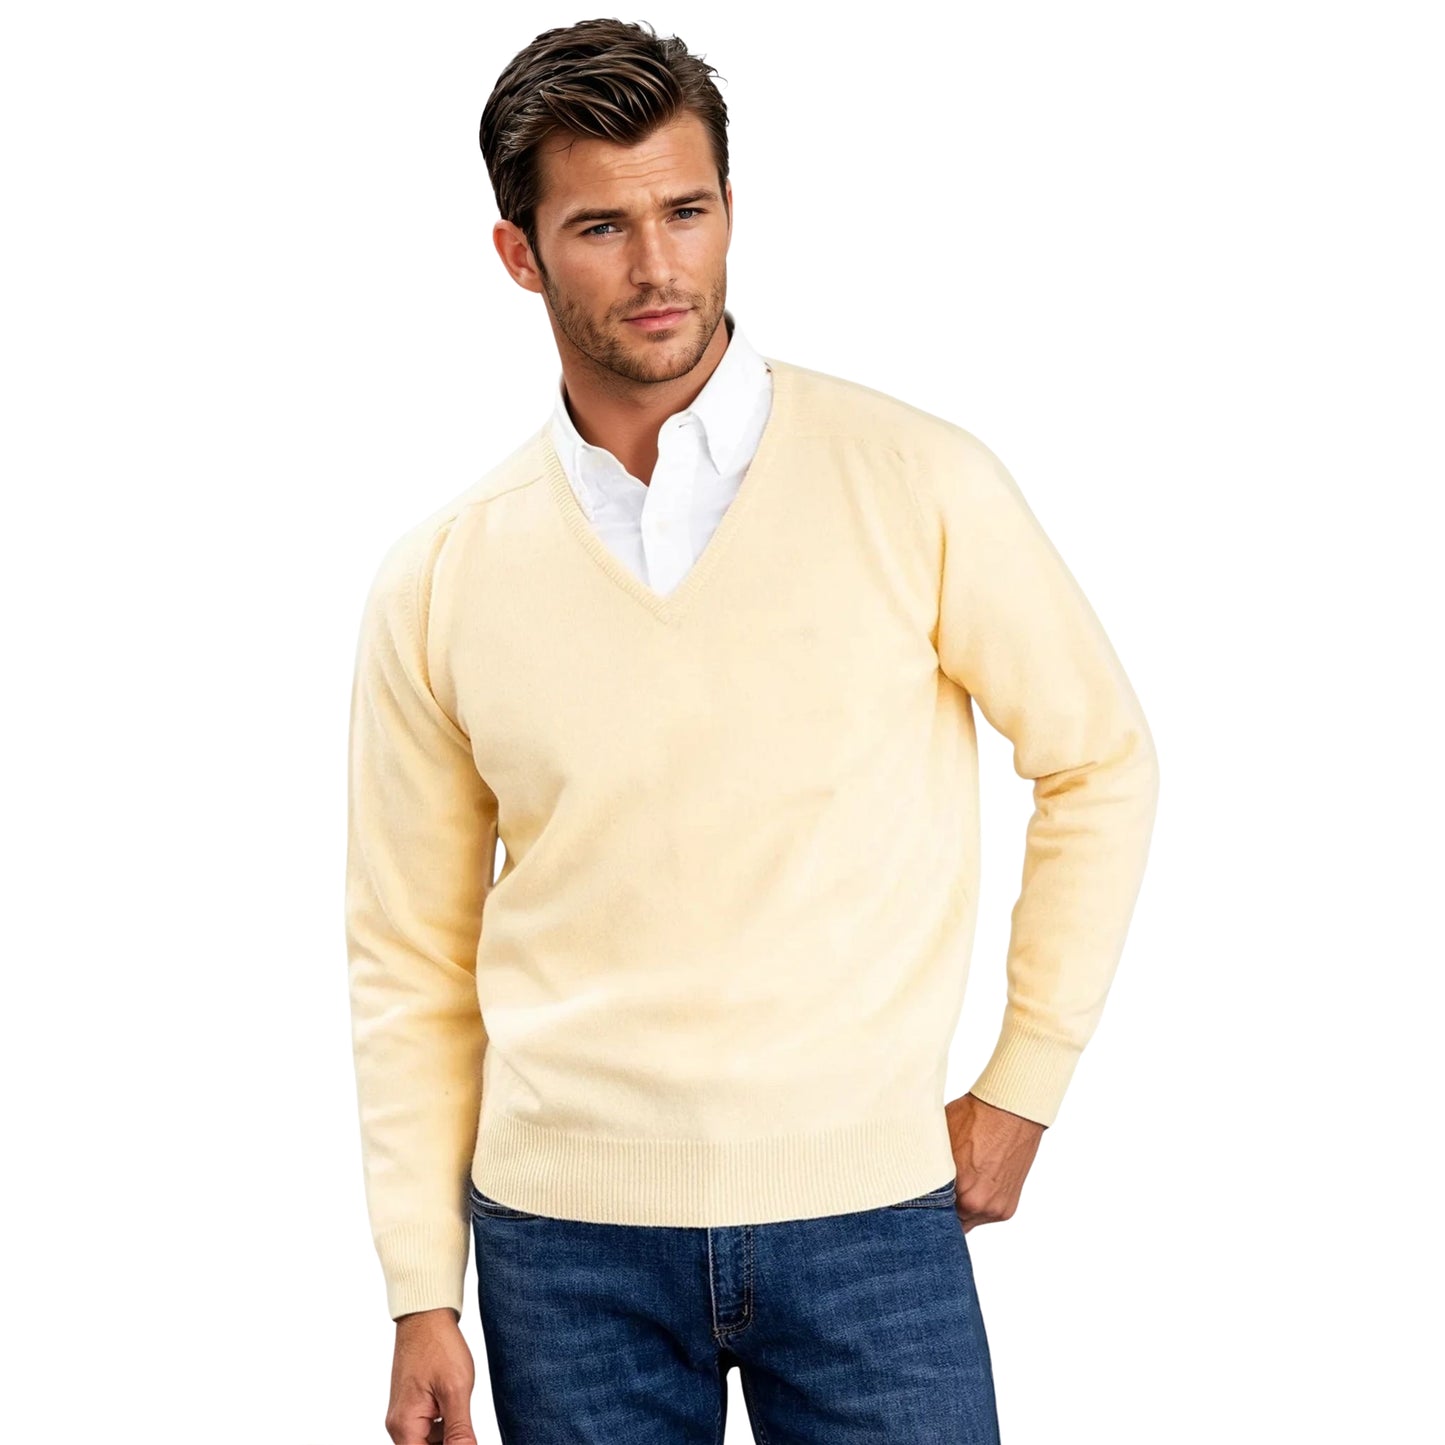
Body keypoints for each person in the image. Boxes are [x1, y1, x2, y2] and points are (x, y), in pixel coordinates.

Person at [344, 17, 1160, 1445]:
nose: (656, 267)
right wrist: (421, 1287)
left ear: (731, 208)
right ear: (520, 255)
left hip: (870, 1215)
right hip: (563, 1249)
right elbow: (406, 952)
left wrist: (1025, 1084)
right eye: (600, 226)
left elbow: (1098, 760)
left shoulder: (915, 482)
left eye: (686, 210)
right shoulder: (444, 575)